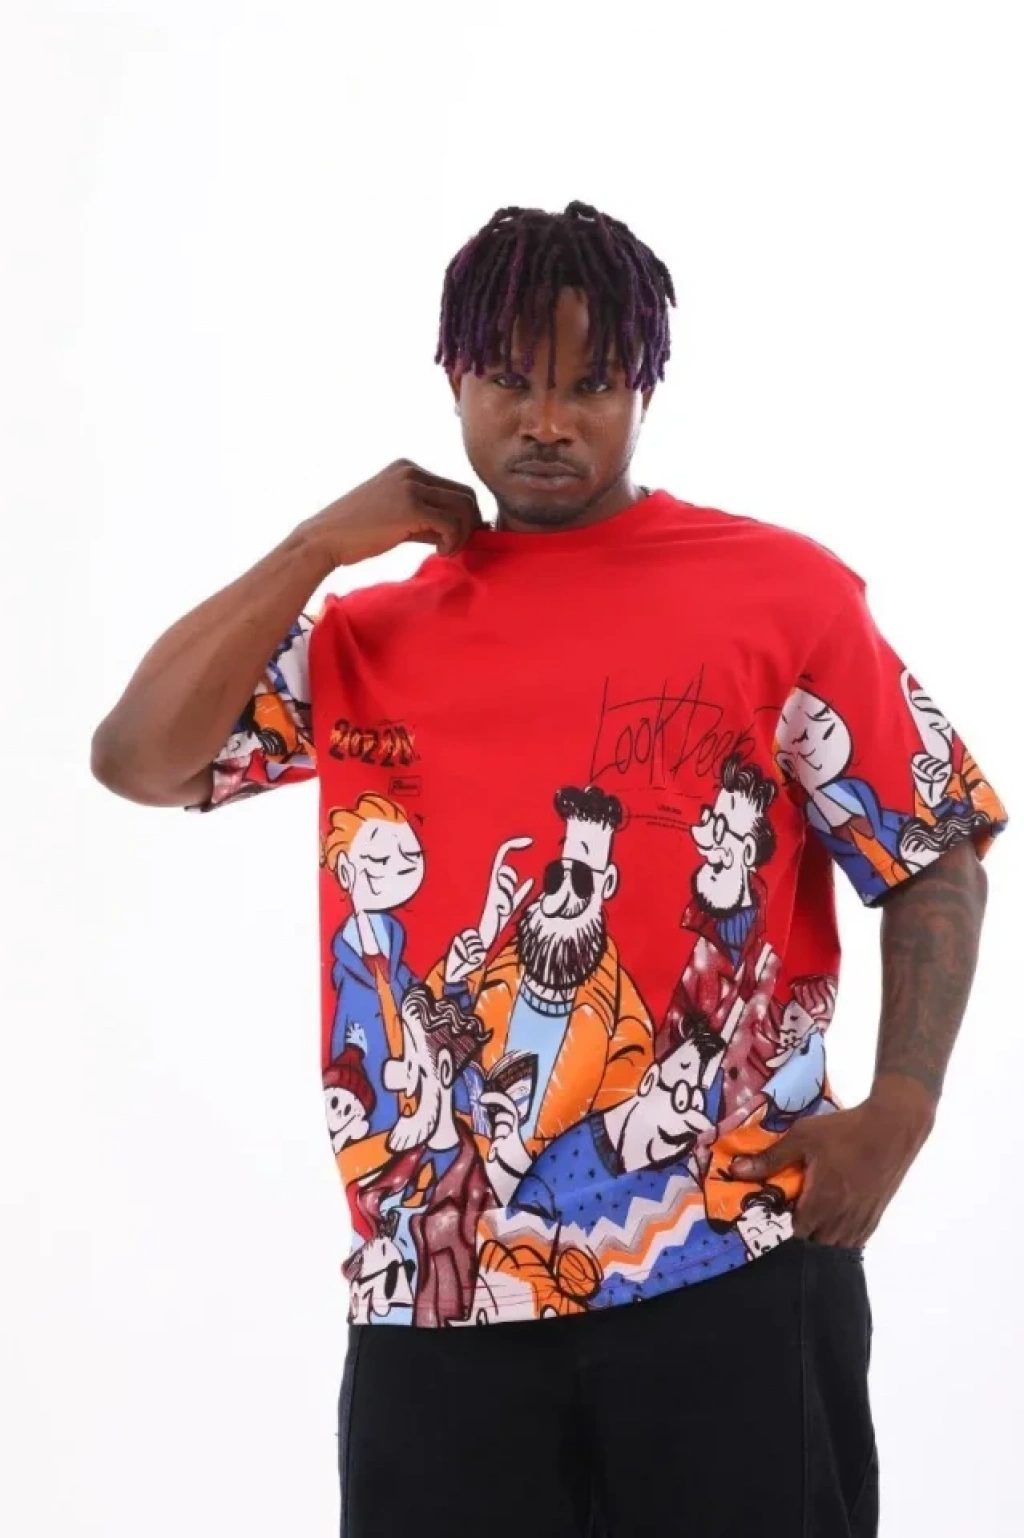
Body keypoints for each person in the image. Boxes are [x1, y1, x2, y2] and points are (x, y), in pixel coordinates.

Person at [91, 200, 1007, 1538]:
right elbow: (137, 757)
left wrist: (906, 1107)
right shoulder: (367, 635)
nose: (547, 421)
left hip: (735, 1269)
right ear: (454, 379)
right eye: (510, 381)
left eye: (591, 386)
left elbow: (932, 843)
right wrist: (312, 549)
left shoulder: (781, 595)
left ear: (643, 390)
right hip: (436, 1296)